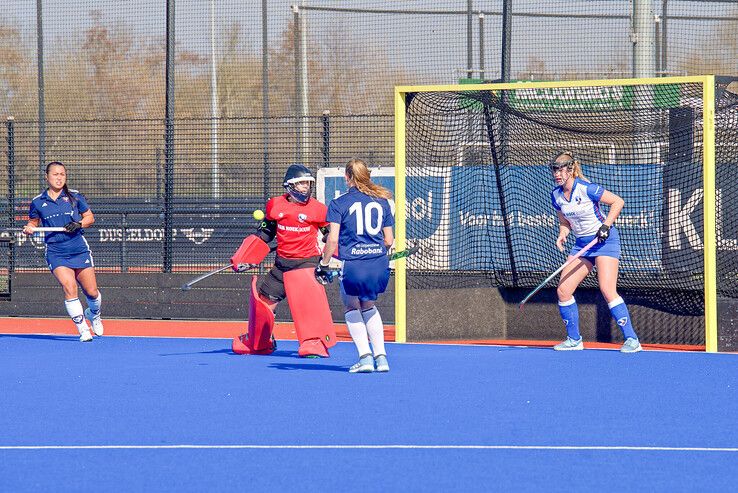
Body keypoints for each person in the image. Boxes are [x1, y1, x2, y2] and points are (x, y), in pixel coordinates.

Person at [230, 164, 337, 358]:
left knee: (307, 305)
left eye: (308, 184)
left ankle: (313, 343)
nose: (306, 187)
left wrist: (330, 252)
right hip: (281, 264)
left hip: (306, 264)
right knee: (264, 302)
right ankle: (260, 341)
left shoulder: (319, 209)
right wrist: (245, 257)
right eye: (302, 183)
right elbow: (265, 233)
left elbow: (330, 234)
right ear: (289, 186)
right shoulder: (274, 205)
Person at [548, 151, 641, 353]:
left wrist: (606, 226)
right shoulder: (556, 195)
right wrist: (562, 233)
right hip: (582, 245)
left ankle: (632, 340)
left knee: (607, 289)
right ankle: (574, 339)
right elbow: (564, 221)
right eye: (555, 169)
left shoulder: (586, 188)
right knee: (563, 291)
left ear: (571, 169)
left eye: (561, 168)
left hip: (603, 242)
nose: (557, 173)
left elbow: (618, 202)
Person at [317, 159, 395, 373]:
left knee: (352, 307)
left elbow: (331, 240)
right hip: (378, 263)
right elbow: (388, 240)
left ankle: (366, 358)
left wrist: (323, 264)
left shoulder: (338, 203)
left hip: (354, 264)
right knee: (369, 306)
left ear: (347, 178)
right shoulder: (383, 202)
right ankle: (382, 358)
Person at [23, 161, 103, 342]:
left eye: (62, 175)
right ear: (47, 177)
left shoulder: (75, 197)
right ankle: (83, 329)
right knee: (69, 287)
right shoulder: (37, 201)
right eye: (55, 174)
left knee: (91, 292)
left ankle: (94, 314)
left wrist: (79, 224)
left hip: (78, 249)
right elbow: (34, 222)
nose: (59, 178)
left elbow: (90, 217)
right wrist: (29, 227)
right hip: (56, 252)